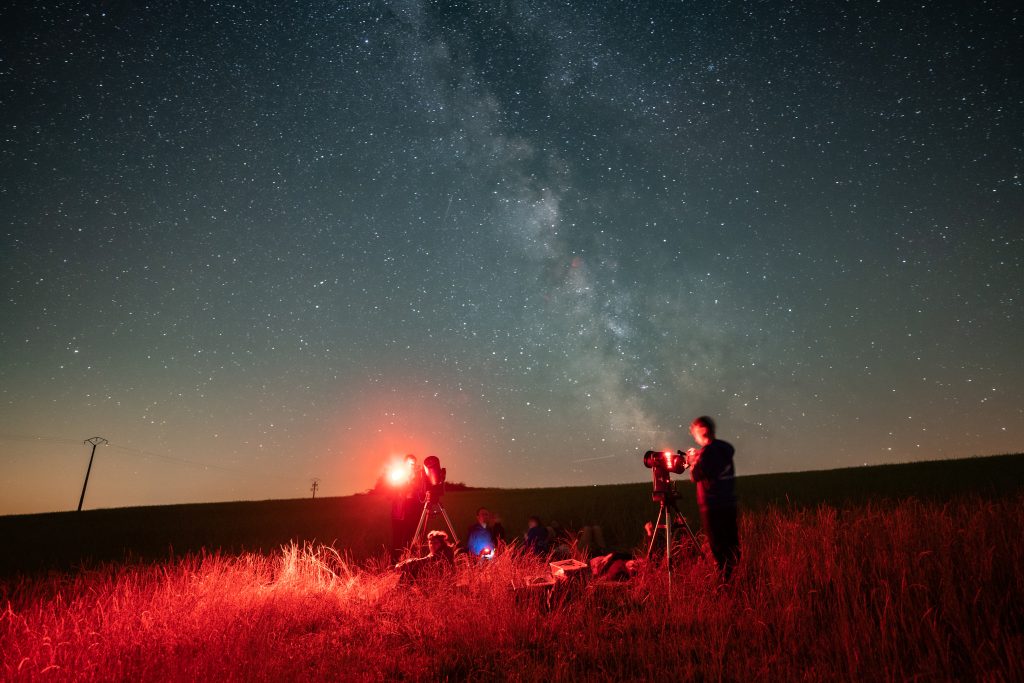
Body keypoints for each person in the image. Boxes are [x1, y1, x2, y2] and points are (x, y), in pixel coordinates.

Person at [684, 415, 740, 580]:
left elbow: (695, 475)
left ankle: (725, 584)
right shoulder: (724, 449)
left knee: (719, 548)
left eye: (695, 433)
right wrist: (697, 456)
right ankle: (735, 576)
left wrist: (694, 462)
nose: (695, 437)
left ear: (702, 430)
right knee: (731, 544)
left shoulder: (708, 453)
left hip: (713, 507)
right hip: (729, 502)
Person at [390, 454, 424, 562]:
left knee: (412, 537)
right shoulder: (398, 475)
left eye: (413, 464)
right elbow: (391, 493)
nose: (412, 466)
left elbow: (420, 493)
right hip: (400, 511)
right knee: (398, 538)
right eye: (409, 463)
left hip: (413, 509)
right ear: (404, 464)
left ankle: (411, 561)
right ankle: (395, 562)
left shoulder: (418, 477)